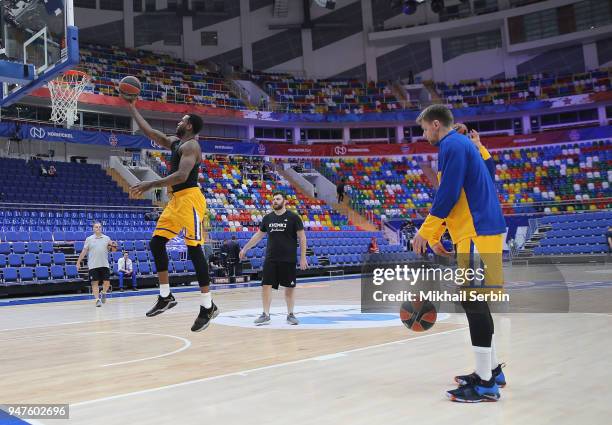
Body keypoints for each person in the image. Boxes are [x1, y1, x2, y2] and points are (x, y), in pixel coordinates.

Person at [412, 104, 507, 403]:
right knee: (477, 302)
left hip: (476, 230)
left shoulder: (451, 144)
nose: (425, 134)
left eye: (425, 129)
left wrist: (427, 231)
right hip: (481, 230)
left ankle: (486, 385)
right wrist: (441, 232)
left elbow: (449, 193)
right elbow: (488, 174)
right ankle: (490, 371)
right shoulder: (463, 144)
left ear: (436, 124)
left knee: (472, 301)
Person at [124, 95, 218, 333]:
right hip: (176, 201)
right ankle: (166, 296)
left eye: (182, 119)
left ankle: (208, 306)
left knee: (195, 249)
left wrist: (149, 185)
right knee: (156, 243)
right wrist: (132, 108)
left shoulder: (191, 146)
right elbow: (151, 133)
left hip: (191, 200)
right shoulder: (177, 144)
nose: (179, 121)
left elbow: (181, 176)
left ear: (189, 126)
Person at [239, 192, 308, 325]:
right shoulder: (268, 218)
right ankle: (265, 314)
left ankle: (290, 314)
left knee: (289, 288)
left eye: (278, 199)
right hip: (271, 258)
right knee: (266, 285)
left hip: (288, 258)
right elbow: (258, 236)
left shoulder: (294, 218)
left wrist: (303, 257)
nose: (275, 201)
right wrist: (245, 248)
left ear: (284, 201)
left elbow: (302, 237)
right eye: (273, 199)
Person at [76, 222, 114, 307]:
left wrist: (113, 246)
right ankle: (97, 300)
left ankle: (103, 293)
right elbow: (84, 251)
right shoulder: (89, 239)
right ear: (93, 229)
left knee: (107, 283)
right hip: (93, 265)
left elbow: (112, 248)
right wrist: (78, 262)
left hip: (104, 264)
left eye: (100, 227)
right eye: (96, 227)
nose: (98, 228)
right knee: (94, 283)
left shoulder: (107, 238)